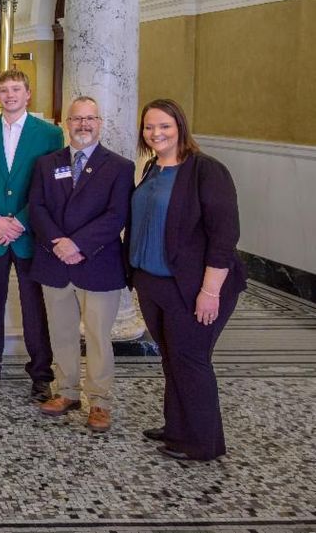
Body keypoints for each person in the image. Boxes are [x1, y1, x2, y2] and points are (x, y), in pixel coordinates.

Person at [130, 98, 246, 461]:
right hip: (154, 281)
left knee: (191, 359)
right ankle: (177, 426)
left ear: (180, 126)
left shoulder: (206, 170)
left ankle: (201, 443)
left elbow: (224, 236)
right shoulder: (152, 168)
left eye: (164, 125)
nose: (156, 133)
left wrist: (209, 291)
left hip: (194, 286)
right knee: (171, 357)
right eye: (149, 127)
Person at [28, 96, 134, 432]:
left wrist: (78, 244)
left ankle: (100, 401)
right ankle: (68, 391)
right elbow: (38, 208)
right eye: (77, 119)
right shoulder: (47, 163)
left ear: (100, 123)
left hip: (97, 263)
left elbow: (117, 214)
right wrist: (59, 243)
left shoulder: (119, 167)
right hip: (55, 262)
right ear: (67, 123)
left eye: (90, 119)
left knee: (99, 336)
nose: (83, 125)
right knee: (61, 334)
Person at [0, 69, 64, 399]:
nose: (10, 95)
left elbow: (51, 184)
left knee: (33, 304)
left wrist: (19, 221)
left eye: (16, 89)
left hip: (29, 233)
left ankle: (41, 371)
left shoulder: (49, 134)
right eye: (4, 90)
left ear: (28, 94)